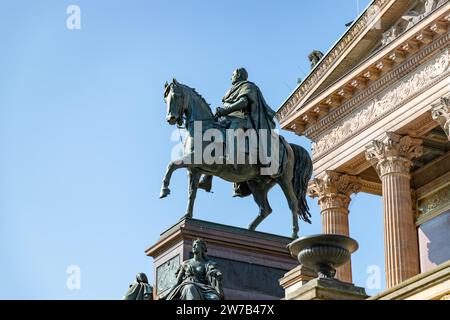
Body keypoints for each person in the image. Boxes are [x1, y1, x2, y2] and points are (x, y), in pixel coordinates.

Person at [198, 68, 277, 197]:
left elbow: (244, 102)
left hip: (242, 119)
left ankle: (233, 161)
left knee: (232, 131)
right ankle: (207, 179)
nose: (231, 78)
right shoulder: (231, 90)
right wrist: (220, 112)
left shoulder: (248, 86)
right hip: (228, 117)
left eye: (233, 75)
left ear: (239, 75)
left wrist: (225, 110)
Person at [160, 239, 224, 300]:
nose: (193, 246)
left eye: (196, 245)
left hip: (203, 288)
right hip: (188, 284)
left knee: (214, 298)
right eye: (193, 245)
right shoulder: (185, 264)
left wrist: (216, 274)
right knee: (190, 288)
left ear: (202, 248)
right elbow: (177, 283)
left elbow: (213, 274)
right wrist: (166, 294)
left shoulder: (208, 264)